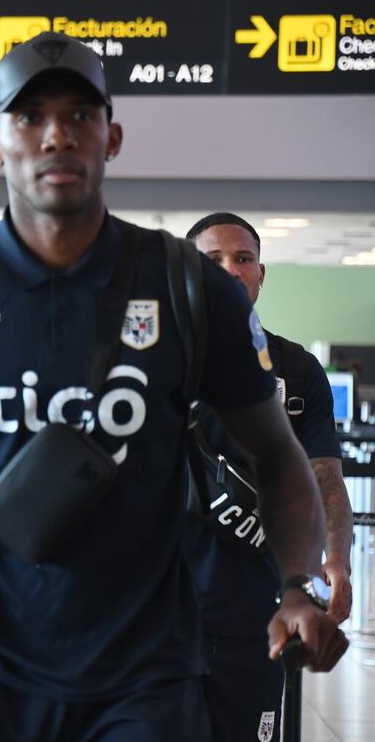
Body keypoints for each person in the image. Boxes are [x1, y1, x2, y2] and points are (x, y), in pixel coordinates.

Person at [0, 31, 348, 741]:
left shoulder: (189, 288)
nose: (57, 135)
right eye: (30, 117)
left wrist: (302, 585)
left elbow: (278, 452)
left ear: (111, 137)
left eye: (81, 115)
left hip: (146, 678)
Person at [183, 211, 353, 741]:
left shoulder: (296, 371)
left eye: (243, 258)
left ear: (261, 273)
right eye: (213, 261)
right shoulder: (152, 362)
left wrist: (338, 559)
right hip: (161, 613)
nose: (231, 270)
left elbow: (325, 474)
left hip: (258, 615)